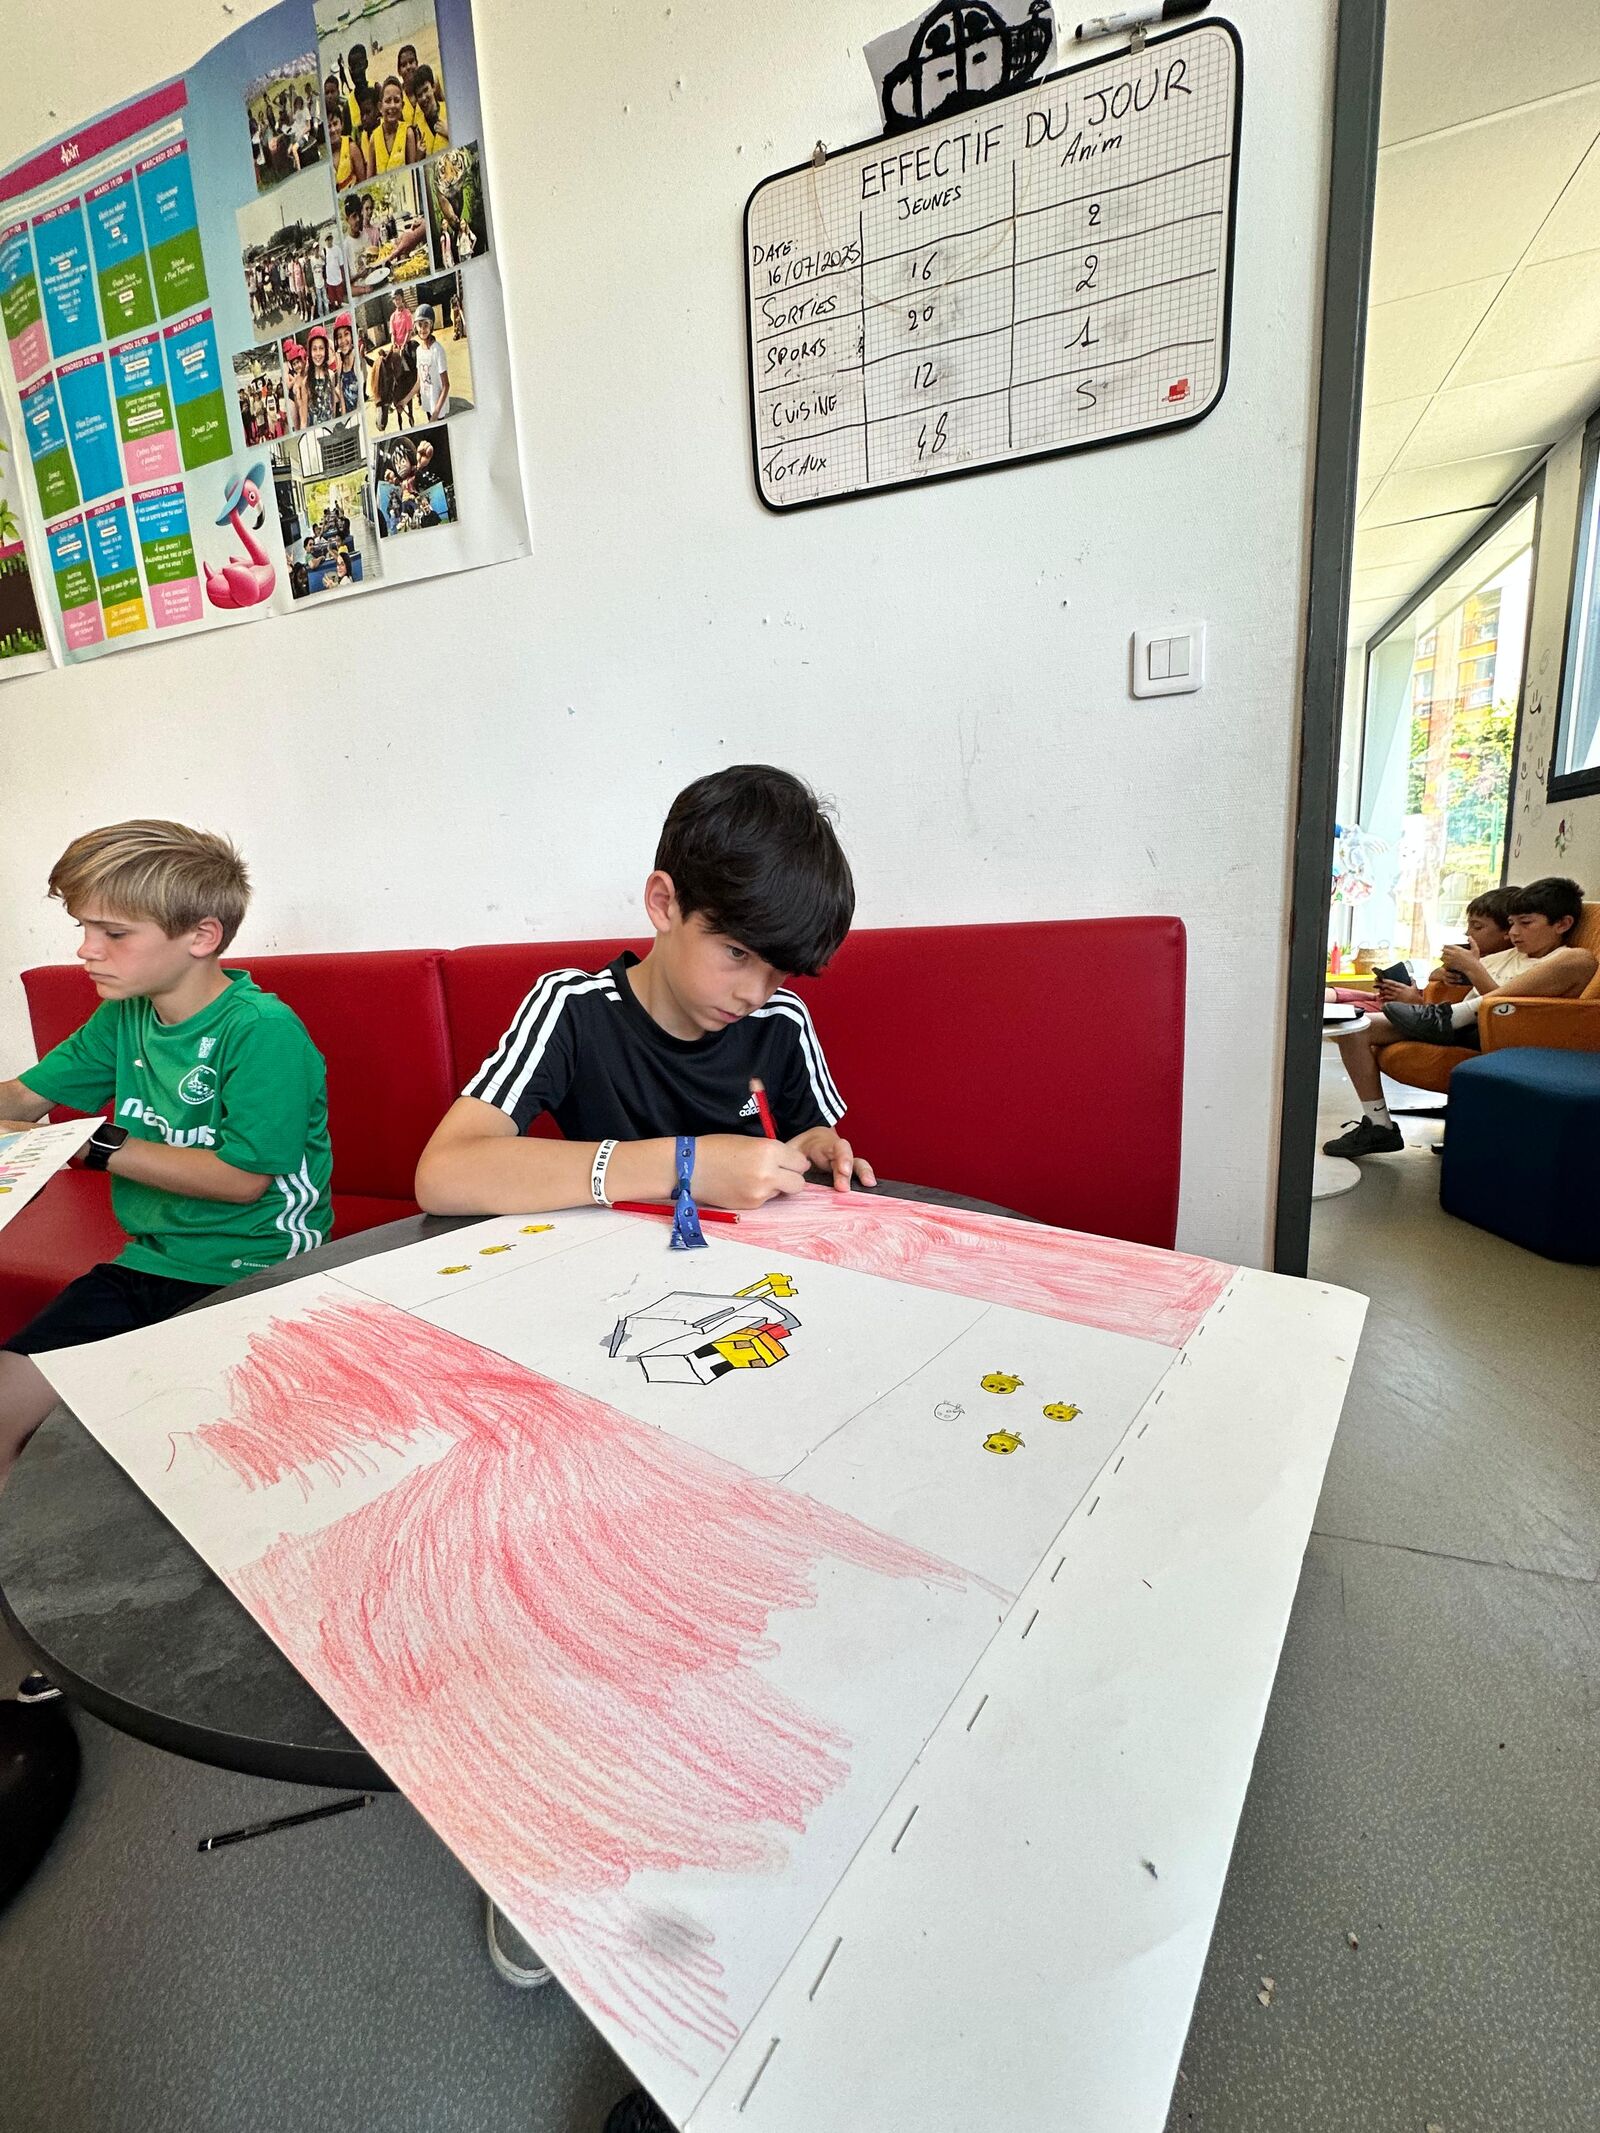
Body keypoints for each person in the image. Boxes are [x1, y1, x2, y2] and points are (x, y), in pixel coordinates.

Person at [0, 821, 332, 1487]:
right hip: (148, 1261)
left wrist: (93, 1143)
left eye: (113, 933)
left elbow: (241, 1180)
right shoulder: (125, 1015)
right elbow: (23, 1097)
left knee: (178, 1455)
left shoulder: (262, 1030)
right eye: (83, 927)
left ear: (201, 936)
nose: (86, 949)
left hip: (259, 1268)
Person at [1324, 877, 1596, 1158]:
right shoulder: (1507, 956)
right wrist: (1445, 974)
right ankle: (1379, 1125)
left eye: (1525, 923)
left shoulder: (1567, 960)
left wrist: (1473, 969)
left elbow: (1504, 1009)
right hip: (1455, 1028)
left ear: (1562, 924)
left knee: (1580, 958)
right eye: (1511, 923)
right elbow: (1451, 980)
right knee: (1354, 1028)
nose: (1514, 932)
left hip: (1503, 1034)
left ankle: (1450, 1016)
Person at [368, 76, 422, 171]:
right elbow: (370, 176)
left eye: (396, 101)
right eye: (388, 101)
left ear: (402, 106)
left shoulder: (407, 133)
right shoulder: (374, 138)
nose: (392, 105)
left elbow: (412, 170)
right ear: (380, 107)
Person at [413, 304, 449, 420]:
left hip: (437, 408)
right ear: (415, 327)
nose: (422, 329)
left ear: (431, 326)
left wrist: (436, 413)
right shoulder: (418, 351)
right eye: (419, 325)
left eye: (426, 324)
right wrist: (404, 401)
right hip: (428, 404)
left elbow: (446, 385)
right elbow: (419, 382)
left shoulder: (438, 350)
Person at [328, 98, 367, 188]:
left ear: (341, 124)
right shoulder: (324, 156)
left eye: (335, 124)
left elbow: (363, 182)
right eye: (328, 126)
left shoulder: (351, 148)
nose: (333, 130)